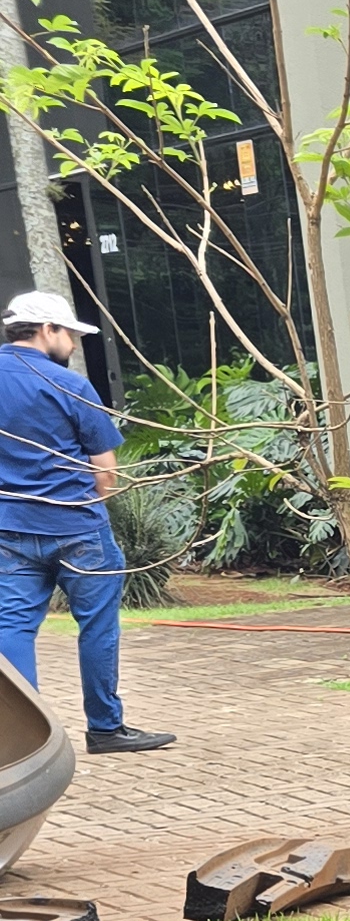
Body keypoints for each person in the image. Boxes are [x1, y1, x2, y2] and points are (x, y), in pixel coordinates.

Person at [0, 288, 170, 754]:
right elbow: (105, 470)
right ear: (46, 330)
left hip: (9, 529)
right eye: (70, 334)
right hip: (77, 527)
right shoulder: (68, 385)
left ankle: (26, 743)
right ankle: (106, 729)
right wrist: (91, 499)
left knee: (11, 629)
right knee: (97, 626)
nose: (73, 345)